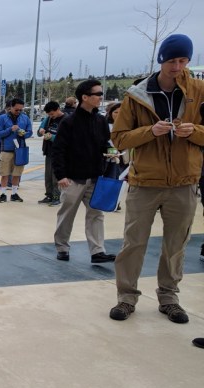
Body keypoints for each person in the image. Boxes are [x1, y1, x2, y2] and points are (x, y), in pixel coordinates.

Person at [109, 34, 204, 323]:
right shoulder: (136, 95)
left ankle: (169, 297)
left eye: (183, 60)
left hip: (184, 182)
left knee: (176, 244)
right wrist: (151, 131)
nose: (177, 67)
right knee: (133, 243)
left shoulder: (199, 90)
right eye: (172, 60)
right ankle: (126, 297)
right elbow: (119, 139)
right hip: (144, 183)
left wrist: (195, 132)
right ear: (161, 59)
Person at [51, 79, 117, 264]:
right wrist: (61, 175)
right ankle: (62, 247)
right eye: (97, 94)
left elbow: (105, 143)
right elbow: (59, 150)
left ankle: (97, 251)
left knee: (96, 214)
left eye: (101, 94)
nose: (101, 98)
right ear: (85, 97)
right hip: (72, 179)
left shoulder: (100, 121)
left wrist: (111, 153)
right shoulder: (69, 122)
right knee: (66, 215)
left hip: (95, 178)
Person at [0, 98, 31, 202]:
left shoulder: (25, 118)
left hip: (20, 149)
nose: (19, 112)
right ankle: (3, 194)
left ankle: (14, 194)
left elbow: (30, 132)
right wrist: (10, 129)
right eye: (16, 110)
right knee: (4, 173)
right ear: (11, 107)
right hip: (6, 149)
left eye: (21, 110)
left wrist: (24, 133)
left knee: (17, 173)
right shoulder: (2, 118)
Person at [37, 101, 64, 206]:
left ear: (58, 109)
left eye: (52, 114)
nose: (51, 116)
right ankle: (49, 195)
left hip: (60, 152)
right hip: (48, 151)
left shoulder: (65, 120)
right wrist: (41, 131)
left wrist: (51, 137)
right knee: (48, 175)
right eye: (49, 114)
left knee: (56, 175)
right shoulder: (47, 119)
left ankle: (57, 197)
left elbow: (66, 137)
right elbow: (39, 132)